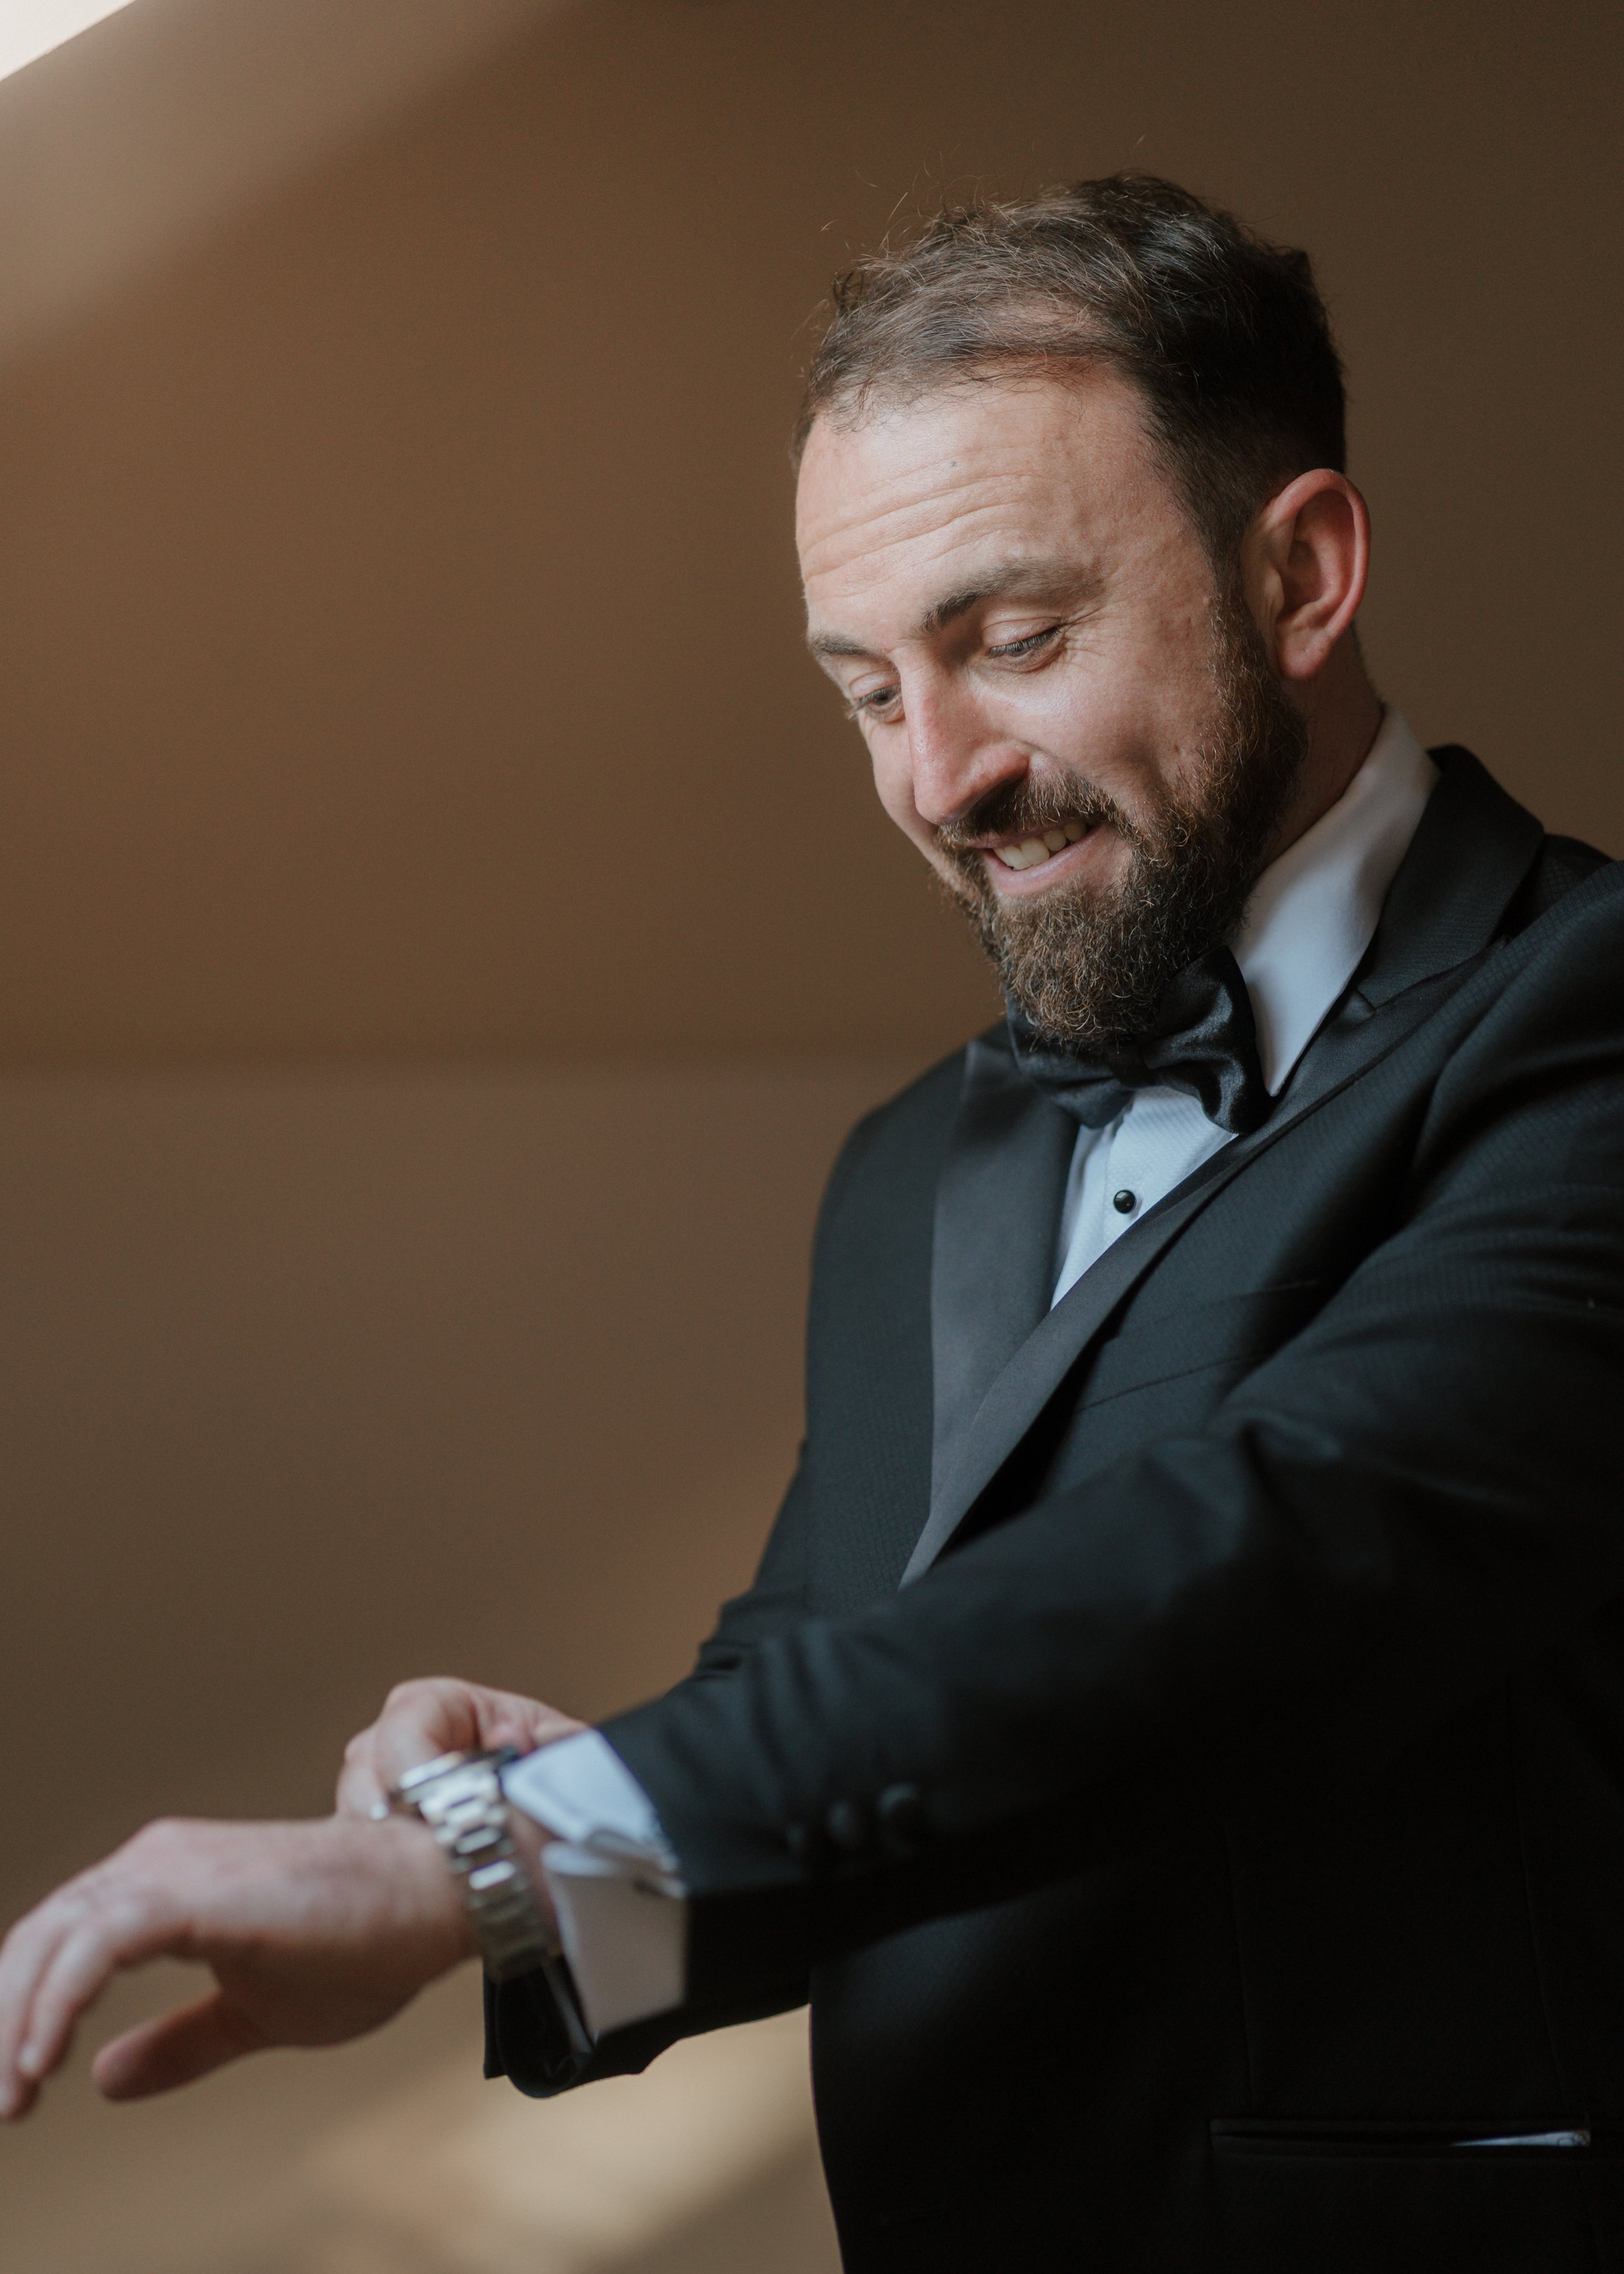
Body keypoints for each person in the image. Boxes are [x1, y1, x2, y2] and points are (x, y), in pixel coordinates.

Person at [3, 174, 1622, 2273]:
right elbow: (866, 1700)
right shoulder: (911, 1162)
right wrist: (521, 1831)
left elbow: (1261, 1558)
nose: (933, 775)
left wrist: (492, 1865)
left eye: (1010, 639)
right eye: (865, 687)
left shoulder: (1584, 1021)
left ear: (1299, 571)